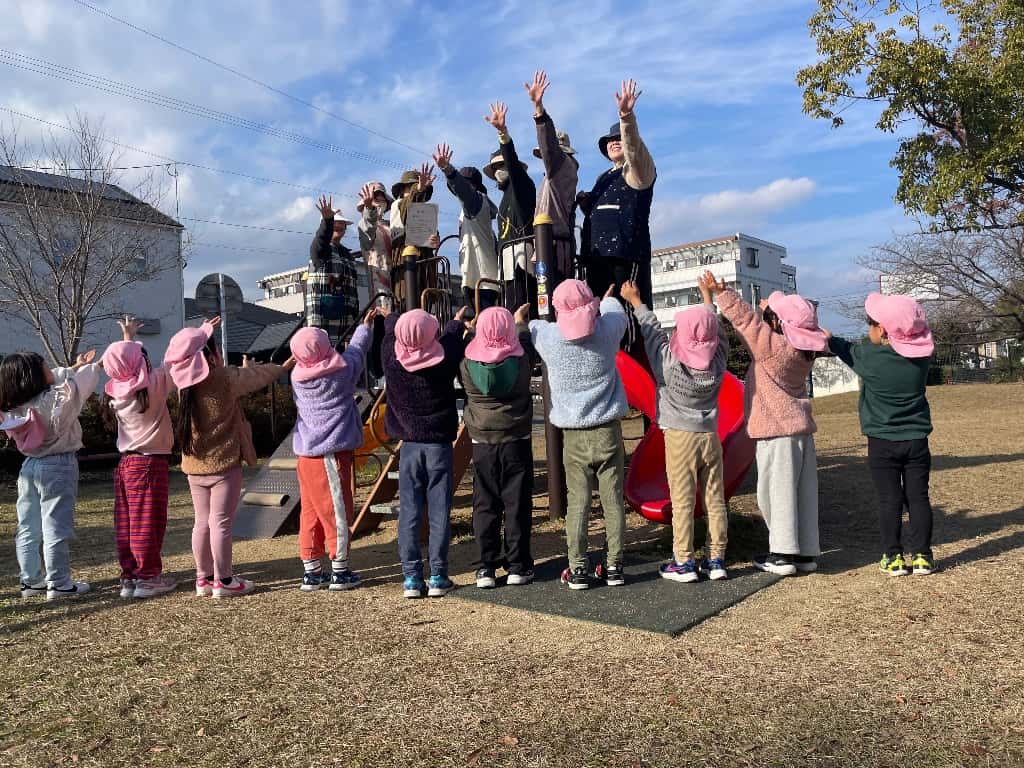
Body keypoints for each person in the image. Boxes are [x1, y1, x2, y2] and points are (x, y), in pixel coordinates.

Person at [705, 272, 826, 576]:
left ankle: (782, 554)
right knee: (803, 493)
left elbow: (746, 322)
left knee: (776, 492)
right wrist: (770, 314)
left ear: (777, 324)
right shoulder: (805, 350)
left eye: (770, 316)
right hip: (801, 431)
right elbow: (763, 329)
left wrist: (722, 293)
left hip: (776, 432)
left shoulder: (773, 349)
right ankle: (805, 552)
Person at [165, 318, 291, 598]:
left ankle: (203, 579)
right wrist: (282, 367)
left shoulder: (183, 385)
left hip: (194, 467)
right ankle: (224, 580)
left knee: (202, 522)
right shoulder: (223, 378)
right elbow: (255, 378)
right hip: (224, 465)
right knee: (220, 523)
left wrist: (201, 331)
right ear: (210, 356)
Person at [623, 277, 730, 583]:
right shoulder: (718, 361)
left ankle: (684, 561)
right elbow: (716, 331)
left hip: (680, 438)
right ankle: (716, 559)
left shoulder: (668, 365)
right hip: (710, 436)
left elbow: (652, 332)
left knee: (682, 501)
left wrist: (636, 301)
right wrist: (708, 299)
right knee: (715, 499)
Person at [824, 294, 936, 576]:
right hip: (917, 440)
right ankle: (923, 556)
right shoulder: (922, 357)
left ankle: (894, 557)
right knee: (918, 498)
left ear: (883, 330)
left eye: (870, 323)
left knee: (889, 499)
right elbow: (921, 335)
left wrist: (829, 338)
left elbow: (844, 348)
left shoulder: (868, 356)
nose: (868, 328)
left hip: (882, 442)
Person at [529, 279, 629, 590]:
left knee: (578, 503)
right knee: (613, 501)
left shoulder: (549, 338)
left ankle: (578, 568)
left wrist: (523, 318)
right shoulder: (607, 331)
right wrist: (605, 300)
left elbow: (531, 325)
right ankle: (614, 565)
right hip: (607, 430)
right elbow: (617, 313)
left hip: (573, 434)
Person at [381, 305, 469, 598]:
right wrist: (456, 322)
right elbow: (453, 339)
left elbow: (389, 333)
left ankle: (411, 577)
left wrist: (390, 316)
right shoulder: (444, 359)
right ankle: (439, 575)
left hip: (408, 446)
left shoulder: (391, 358)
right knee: (439, 511)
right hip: (438, 445)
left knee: (409, 511)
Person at [1, 348, 100, 599]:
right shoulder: (57, 398)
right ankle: (58, 582)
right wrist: (97, 365)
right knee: (56, 525)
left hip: (29, 467)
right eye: (44, 365)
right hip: (58, 464)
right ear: (34, 375)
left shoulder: (12, 406)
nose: (50, 367)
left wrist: (75, 366)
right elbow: (84, 381)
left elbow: (59, 375)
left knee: (28, 526)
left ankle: (30, 582)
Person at [288, 310, 376, 591]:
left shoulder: (296, 376)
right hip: (330, 454)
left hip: (306, 455)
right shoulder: (341, 373)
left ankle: (312, 570)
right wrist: (365, 326)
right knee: (337, 511)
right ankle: (340, 569)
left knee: (311, 512)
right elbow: (357, 351)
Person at [460, 304, 537, 588]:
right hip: (516, 439)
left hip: (482, 441)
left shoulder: (466, 364)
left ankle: (486, 567)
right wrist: (519, 322)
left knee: (485, 503)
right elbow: (525, 341)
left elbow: (471, 343)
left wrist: (470, 332)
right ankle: (518, 565)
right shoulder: (522, 360)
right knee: (517, 504)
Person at [100, 318, 177, 599]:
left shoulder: (117, 393)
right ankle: (148, 578)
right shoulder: (153, 386)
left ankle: (130, 577)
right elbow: (175, 358)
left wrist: (127, 337)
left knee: (128, 523)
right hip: (149, 463)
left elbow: (126, 363)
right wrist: (204, 332)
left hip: (127, 464)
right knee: (148, 522)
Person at [578, 79, 657, 307]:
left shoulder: (638, 171)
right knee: (600, 315)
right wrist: (587, 205)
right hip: (596, 258)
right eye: (610, 140)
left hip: (626, 255)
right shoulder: (603, 178)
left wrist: (626, 118)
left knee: (629, 316)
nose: (614, 142)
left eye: (618, 138)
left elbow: (634, 149)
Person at [524, 70, 578, 291]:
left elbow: (549, 145)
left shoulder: (562, 165)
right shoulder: (556, 173)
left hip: (554, 246)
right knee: (547, 300)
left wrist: (539, 111)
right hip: (551, 245)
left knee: (551, 300)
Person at [483, 100, 537, 312]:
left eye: (501, 164)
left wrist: (503, 134)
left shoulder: (522, 185)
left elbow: (513, 164)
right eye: (494, 167)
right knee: (510, 312)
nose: (498, 170)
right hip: (506, 262)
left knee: (523, 311)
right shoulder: (504, 197)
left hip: (522, 260)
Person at [433, 142, 500, 313]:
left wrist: (448, 170)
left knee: (484, 321)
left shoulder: (476, 202)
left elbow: (463, 190)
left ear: (473, 186)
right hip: (478, 277)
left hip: (482, 280)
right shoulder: (474, 209)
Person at [307, 195, 360, 344]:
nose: (338, 226)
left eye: (342, 223)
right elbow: (322, 238)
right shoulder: (320, 250)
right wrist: (327, 221)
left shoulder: (347, 254)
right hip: (324, 321)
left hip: (346, 319)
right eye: (334, 223)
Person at [357, 180, 394, 296]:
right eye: (375, 199)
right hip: (378, 282)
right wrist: (370, 209)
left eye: (382, 199)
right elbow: (369, 228)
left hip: (400, 279)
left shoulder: (393, 225)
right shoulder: (363, 224)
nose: (379, 203)